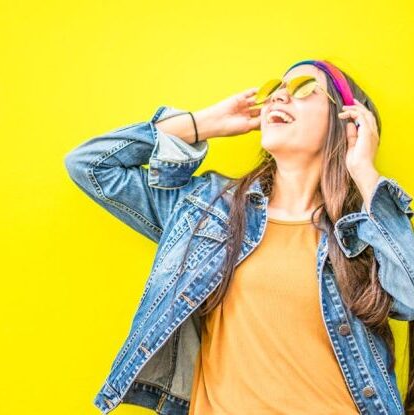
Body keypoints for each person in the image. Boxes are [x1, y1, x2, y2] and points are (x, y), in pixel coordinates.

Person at [64, 59, 414, 414]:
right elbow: (90, 165)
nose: (278, 97)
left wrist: (365, 173)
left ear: (349, 120)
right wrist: (202, 124)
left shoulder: (361, 231)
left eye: (305, 89)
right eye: (275, 89)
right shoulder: (208, 210)